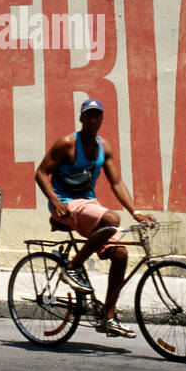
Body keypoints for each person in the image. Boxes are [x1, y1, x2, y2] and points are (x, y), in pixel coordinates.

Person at [34, 98, 156, 338]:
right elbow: (40, 173)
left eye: (96, 116)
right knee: (111, 218)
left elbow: (116, 183)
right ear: (81, 119)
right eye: (88, 116)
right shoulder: (67, 144)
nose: (92, 120)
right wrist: (56, 203)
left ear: (102, 119)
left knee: (120, 253)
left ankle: (108, 318)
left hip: (89, 205)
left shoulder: (104, 148)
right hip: (66, 205)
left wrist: (136, 212)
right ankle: (73, 267)